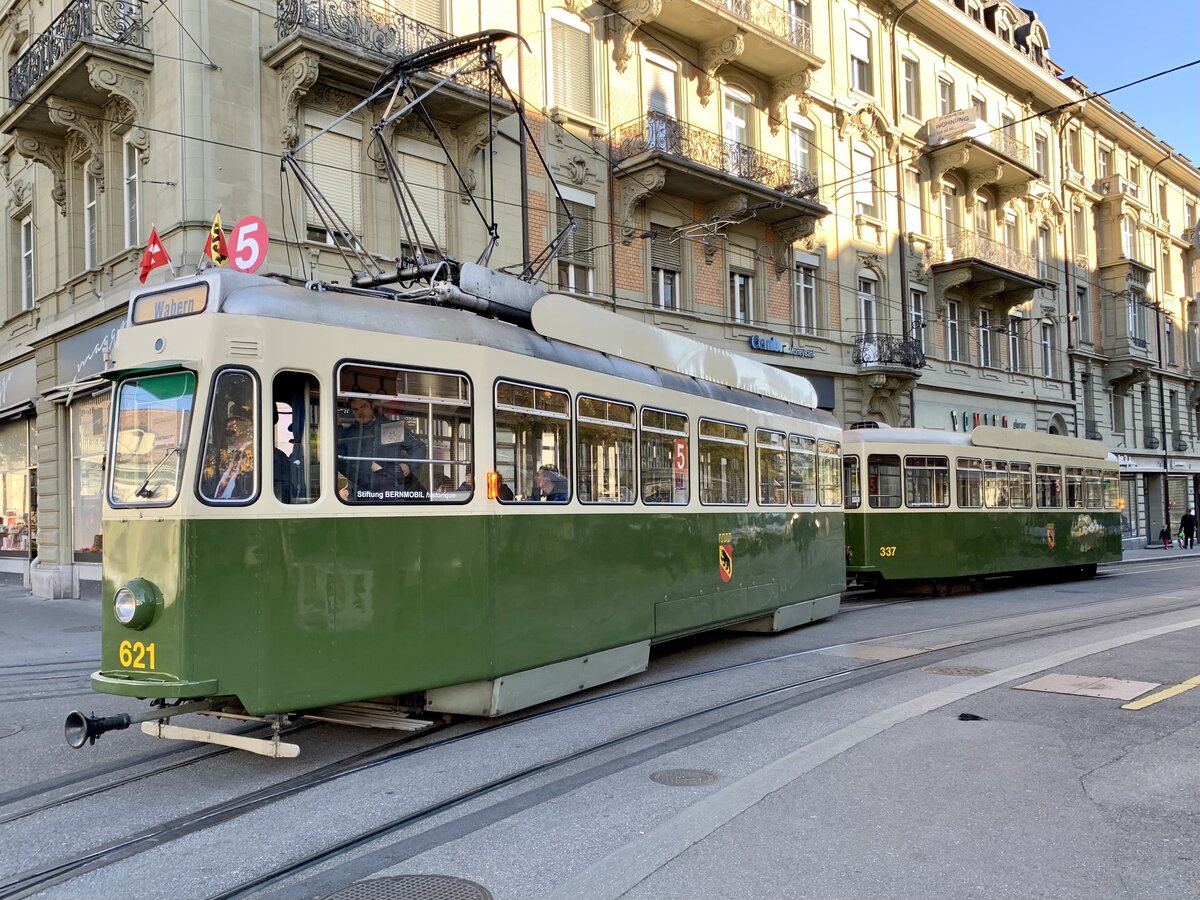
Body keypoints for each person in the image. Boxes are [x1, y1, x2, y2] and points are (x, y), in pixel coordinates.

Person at [336, 398, 426, 501]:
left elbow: (418, 447)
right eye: (355, 409)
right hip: (360, 493)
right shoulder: (348, 434)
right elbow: (338, 459)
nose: (360, 412)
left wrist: (409, 466)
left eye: (363, 407)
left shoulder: (391, 427)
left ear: (372, 405)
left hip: (389, 493)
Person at [203, 407, 255, 501]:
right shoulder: (228, 458)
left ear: (248, 426)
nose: (229, 426)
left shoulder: (259, 457)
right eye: (228, 423)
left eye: (235, 421)